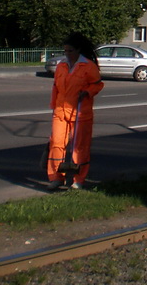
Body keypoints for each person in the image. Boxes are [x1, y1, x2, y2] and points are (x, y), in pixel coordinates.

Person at [47, 32, 104, 189]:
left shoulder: (88, 66)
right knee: (56, 143)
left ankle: (78, 179)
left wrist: (87, 92)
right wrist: (54, 106)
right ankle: (56, 177)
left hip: (80, 112)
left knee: (80, 146)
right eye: (65, 50)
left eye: (70, 51)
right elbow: (55, 87)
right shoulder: (61, 66)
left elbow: (97, 84)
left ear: (78, 50)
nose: (67, 54)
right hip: (61, 111)